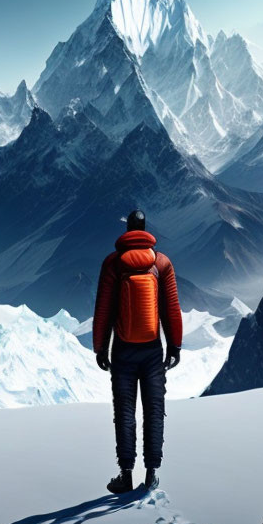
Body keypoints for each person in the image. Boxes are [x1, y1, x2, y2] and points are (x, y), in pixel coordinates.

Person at [93, 209, 183, 493]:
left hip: (122, 349)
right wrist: (175, 345)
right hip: (153, 350)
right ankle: (151, 473)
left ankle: (126, 475)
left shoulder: (113, 263)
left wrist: (100, 348)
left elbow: (103, 311)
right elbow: (171, 309)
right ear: (146, 230)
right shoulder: (161, 263)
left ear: (127, 229)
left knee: (125, 411)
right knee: (154, 409)